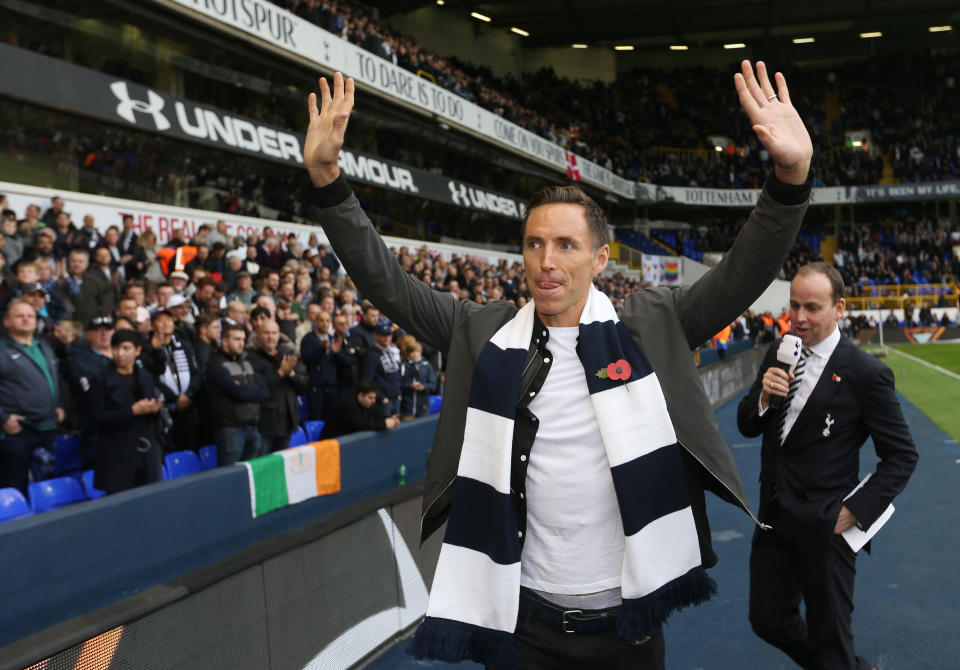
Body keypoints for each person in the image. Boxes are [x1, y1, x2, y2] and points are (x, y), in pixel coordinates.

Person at [303, 64, 813, 669]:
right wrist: (328, 179)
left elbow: (744, 274)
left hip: (630, 625)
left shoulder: (650, 323)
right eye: (533, 243)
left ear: (600, 257)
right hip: (524, 627)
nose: (546, 261)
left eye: (566, 245)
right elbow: (385, 283)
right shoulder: (482, 331)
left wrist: (789, 176)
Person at [736, 262, 917, 670]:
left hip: (826, 527)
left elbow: (903, 454)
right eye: (794, 306)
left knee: (830, 639)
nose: (799, 318)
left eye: (812, 308)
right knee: (766, 620)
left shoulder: (866, 373)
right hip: (773, 519)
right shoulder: (779, 351)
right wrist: (763, 399)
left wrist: (855, 512)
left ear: (840, 309)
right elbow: (747, 425)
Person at [0, 300, 65, 494]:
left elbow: (54, 378)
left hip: (47, 427)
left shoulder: (44, 346)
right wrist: (3, 418)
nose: (26, 319)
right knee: (15, 488)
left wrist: (59, 404)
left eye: (30, 316)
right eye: (19, 316)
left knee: (47, 485)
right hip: (17, 431)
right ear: (6, 322)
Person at [89, 331, 165, 494]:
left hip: (146, 452)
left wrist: (153, 409)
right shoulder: (100, 380)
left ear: (137, 351)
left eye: (126, 348)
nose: (119, 353)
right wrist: (131, 411)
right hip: (117, 455)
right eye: (115, 348)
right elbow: (96, 418)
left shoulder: (145, 376)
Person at [205, 323, 269, 465]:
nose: (242, 343)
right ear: (225, 341)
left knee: (251, 474)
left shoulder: (246, 363)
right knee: (229, 476)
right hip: (230, 430)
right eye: (237, 339)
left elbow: (264, 392)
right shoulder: (216, 365)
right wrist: (249, 390)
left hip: (252, 426)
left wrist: (245, 389)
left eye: (243, 339)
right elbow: (239, 393)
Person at [142, 310, 201, 452]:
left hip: (188, 404)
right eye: (161, 321)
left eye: (169, 320)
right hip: (164, 408)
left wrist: (188, 395)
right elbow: (152, 378)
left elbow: (196, 372)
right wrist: (174, 398)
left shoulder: (184, 344)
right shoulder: (147, 347)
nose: (166, 324)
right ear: (152, 325)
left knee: (189, 447)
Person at [248, 319, 308, 452]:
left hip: (287, 420)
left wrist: (291, 374)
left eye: (274, 333)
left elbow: (304, 385)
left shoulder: (285, 355)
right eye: (266, 333)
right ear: (258, 335)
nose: (271, 337)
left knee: (281, 464)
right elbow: (257, 387)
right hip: (266, 423)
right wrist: (280, 373)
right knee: (265, 465)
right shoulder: (250, 358)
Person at [319, 380, 400, 438]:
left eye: (374, 398)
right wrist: (384, 424)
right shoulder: (348, 405)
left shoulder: (366, 403)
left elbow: (376, 413)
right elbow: (362, 425)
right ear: (360, 395)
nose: (373, 401)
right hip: (332, 445)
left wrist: (389, 418)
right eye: (370, 398)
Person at [300, 309, 340, 421]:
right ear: (316, 321)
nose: (325, 323)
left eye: (327, 320)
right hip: (316, 388)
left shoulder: (333, 338)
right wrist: (321, 349)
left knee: (332, 420)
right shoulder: (309, 339)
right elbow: (307, 360)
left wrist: (338, 353)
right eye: (321, 320)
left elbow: (341, 362)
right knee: (316, 420)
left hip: (331, 387)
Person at [360, 323, 402, 417]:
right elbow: (367, 380)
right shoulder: (371, 355)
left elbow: (396, 375)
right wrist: (381, 398)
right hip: (382, 402)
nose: (386, 338)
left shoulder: (391, 352)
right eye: (383, 335)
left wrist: (399, 394)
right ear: (377, 336)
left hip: (395, 398)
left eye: (388, 335)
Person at [399, 339, 438, 419]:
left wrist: (424, 387)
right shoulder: (403, 366)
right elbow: (399, 384)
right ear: (408, 353)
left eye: (417, 352)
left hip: (423, 408)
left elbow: (433, 385)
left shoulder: (427, 366)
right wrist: (410, 386)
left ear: (420, 352)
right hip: (407, 408)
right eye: (412, 352)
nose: (414, 354)